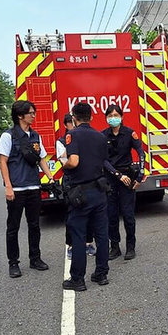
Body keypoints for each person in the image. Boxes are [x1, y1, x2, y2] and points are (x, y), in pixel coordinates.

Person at [0, 100, 54, 278]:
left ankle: (35, 258)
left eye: (34, 113)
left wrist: (50, 177)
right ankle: (13, 263)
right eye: (31, 113)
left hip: (34, 186)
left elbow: (41, 158)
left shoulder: (35, 136)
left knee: (34, 225)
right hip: (17, 189)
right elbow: (3, 162)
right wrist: (8, 186)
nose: (34, 116)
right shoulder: (9, 136)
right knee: (13, 227)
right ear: (20, 116)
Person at [61, 102, 111, 291]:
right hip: (99, 190)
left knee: (79, 235)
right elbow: (103, 159)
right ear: (91, 116)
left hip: (80, 193)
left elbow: (74, 162)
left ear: (74, 116)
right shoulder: (100, 136)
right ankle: (101, 274)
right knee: (101, 234)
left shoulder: (72, 135)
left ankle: (77, 279)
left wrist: (63, 163)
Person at [102, 104, 146, 261]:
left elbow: (141, 153)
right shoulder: (103, 135)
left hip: (127, 178)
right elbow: (103, 160)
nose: (113, 118)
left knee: (128, 214)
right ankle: (114, 247)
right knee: (111, 214)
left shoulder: (129, 133)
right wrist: (117, 174)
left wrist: (140, 175)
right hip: (111, 178)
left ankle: (130, 246)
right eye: (110, 115)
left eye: (116, 115)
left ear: (121, 116)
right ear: (106, 117)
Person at [56, 113, 96, 259]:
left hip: (87, 180)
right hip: (71, 182)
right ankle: (71, 246)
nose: (74, 125)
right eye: (70, 123)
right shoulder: (61, 141)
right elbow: (65, 161)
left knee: (90, 213)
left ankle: (89, 242)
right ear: (66, 125)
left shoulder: (86, 137)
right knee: (72, 216)